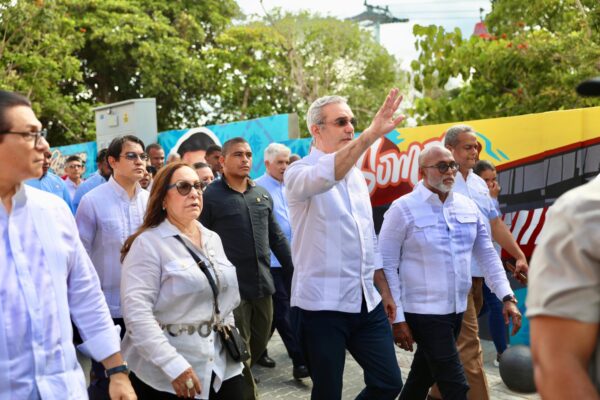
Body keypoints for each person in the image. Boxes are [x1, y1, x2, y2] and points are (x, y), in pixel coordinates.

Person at [0, 89, 136, 399]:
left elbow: (85, 294)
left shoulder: (53, 211)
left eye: (42, 134)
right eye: (30, 134)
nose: (45, 146)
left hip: (63, 389)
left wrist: (116, 370)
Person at [284, 90, 404, 400]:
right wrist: (371, 135)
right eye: (341, 122)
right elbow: (326, 176)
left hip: (366, 302)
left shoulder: (356, 177)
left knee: (389, 383)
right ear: (316, 129)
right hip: (320, 308)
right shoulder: (297, 173)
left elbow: (368, 239)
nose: (350, 127)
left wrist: (384, 290)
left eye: (352, 121)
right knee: (328, 393)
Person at [379, 146, 521, 400]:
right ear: (422, 172)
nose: (450, 171)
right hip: (424, 312)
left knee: (421, 378)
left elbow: (487, 255)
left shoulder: (468, 207)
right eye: (442, 166)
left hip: (457, 310)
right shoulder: (403, 208)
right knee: (455, 385)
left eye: (452, 165)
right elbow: (386, 263)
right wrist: (397, 318)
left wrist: (507, 297)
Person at [120, 162, 244, 399]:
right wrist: (173, 365)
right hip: (167, 373)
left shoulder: (212, 238)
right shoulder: (148, 244)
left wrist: (231, 338)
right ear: (163, 199)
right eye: (184, 187)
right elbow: (137, 314)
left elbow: (224, 298)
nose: (195, 193)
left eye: (198, 186)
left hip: (222, 364)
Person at [429, 125, 529, 400]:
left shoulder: (478, 185)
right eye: (468, 147)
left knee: (450, 349)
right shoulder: (439, 183)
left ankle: (433, 394)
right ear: (450, 149)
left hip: (479, 277)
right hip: (451, 278)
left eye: (477, 147)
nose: (475, 151)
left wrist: (519, 255)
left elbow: (495, 224)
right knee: (470, 348)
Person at [200, 137, 294, 400]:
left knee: (258, 344)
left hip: (263, 285)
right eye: (238, 155)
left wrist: (294, 271)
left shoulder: (260, 194)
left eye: (249, 155)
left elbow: (277, 238)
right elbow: (199, 241)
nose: (245, 160)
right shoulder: (210, 196)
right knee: (241, 352)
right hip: (231, 290)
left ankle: (235, 384)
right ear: (222, 160)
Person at [76, 135, 150, 398]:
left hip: (145, 306)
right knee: (107, 381)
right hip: (106, 310)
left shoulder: (150, 201)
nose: (139, 161)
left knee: (144, 380)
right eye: (131, 156)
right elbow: (80, 258)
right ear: (112, 161)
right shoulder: (92, 201)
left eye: (142, 156)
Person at [255, 143, 309, 380]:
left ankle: (257, 350)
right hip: (271, 263)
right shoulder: (256, 188)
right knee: (283, 311)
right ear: (267, 163)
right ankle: (300, 361)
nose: (285, 166)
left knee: (280, 312)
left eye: (287, 162)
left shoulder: (292, 186)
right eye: (280, 162)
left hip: (296, 259)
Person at [473, 160, 507, 366]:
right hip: (477, 265)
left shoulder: (490, 197)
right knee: (495, 305)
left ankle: (457, 332)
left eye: (494, 179)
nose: (491, 184)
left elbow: (498, 227)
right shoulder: (474, 198)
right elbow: (491, 228)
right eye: (486, 180)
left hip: (491, 264)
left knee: (486, 307)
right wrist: (493, 200)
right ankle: (502, 353)